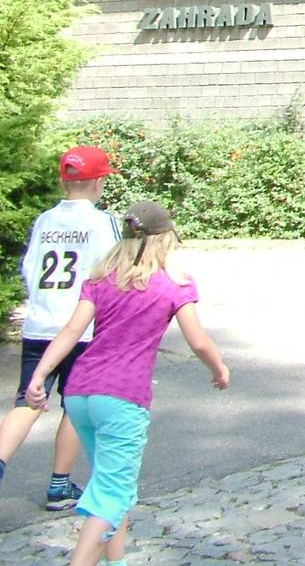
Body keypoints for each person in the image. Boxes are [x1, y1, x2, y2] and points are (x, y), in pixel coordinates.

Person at [25, 201, 228, 566]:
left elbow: (72, 330)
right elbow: (197, 340)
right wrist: (218, 368)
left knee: (111, 485)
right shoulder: (174, 284)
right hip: (122, 397)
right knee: (113, 493)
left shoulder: (101, 278)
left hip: (80, 393)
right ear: (165, 238)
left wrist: (40, 374)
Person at [0, 146, 124, 512]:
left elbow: (29, 267)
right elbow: (112, 270)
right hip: (81, 327)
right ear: (99, 183)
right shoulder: (103, 222)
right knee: (75, 404)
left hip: (40, 323)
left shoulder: (44, 221)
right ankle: (59, 484)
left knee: (27, 400)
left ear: (62, 181)